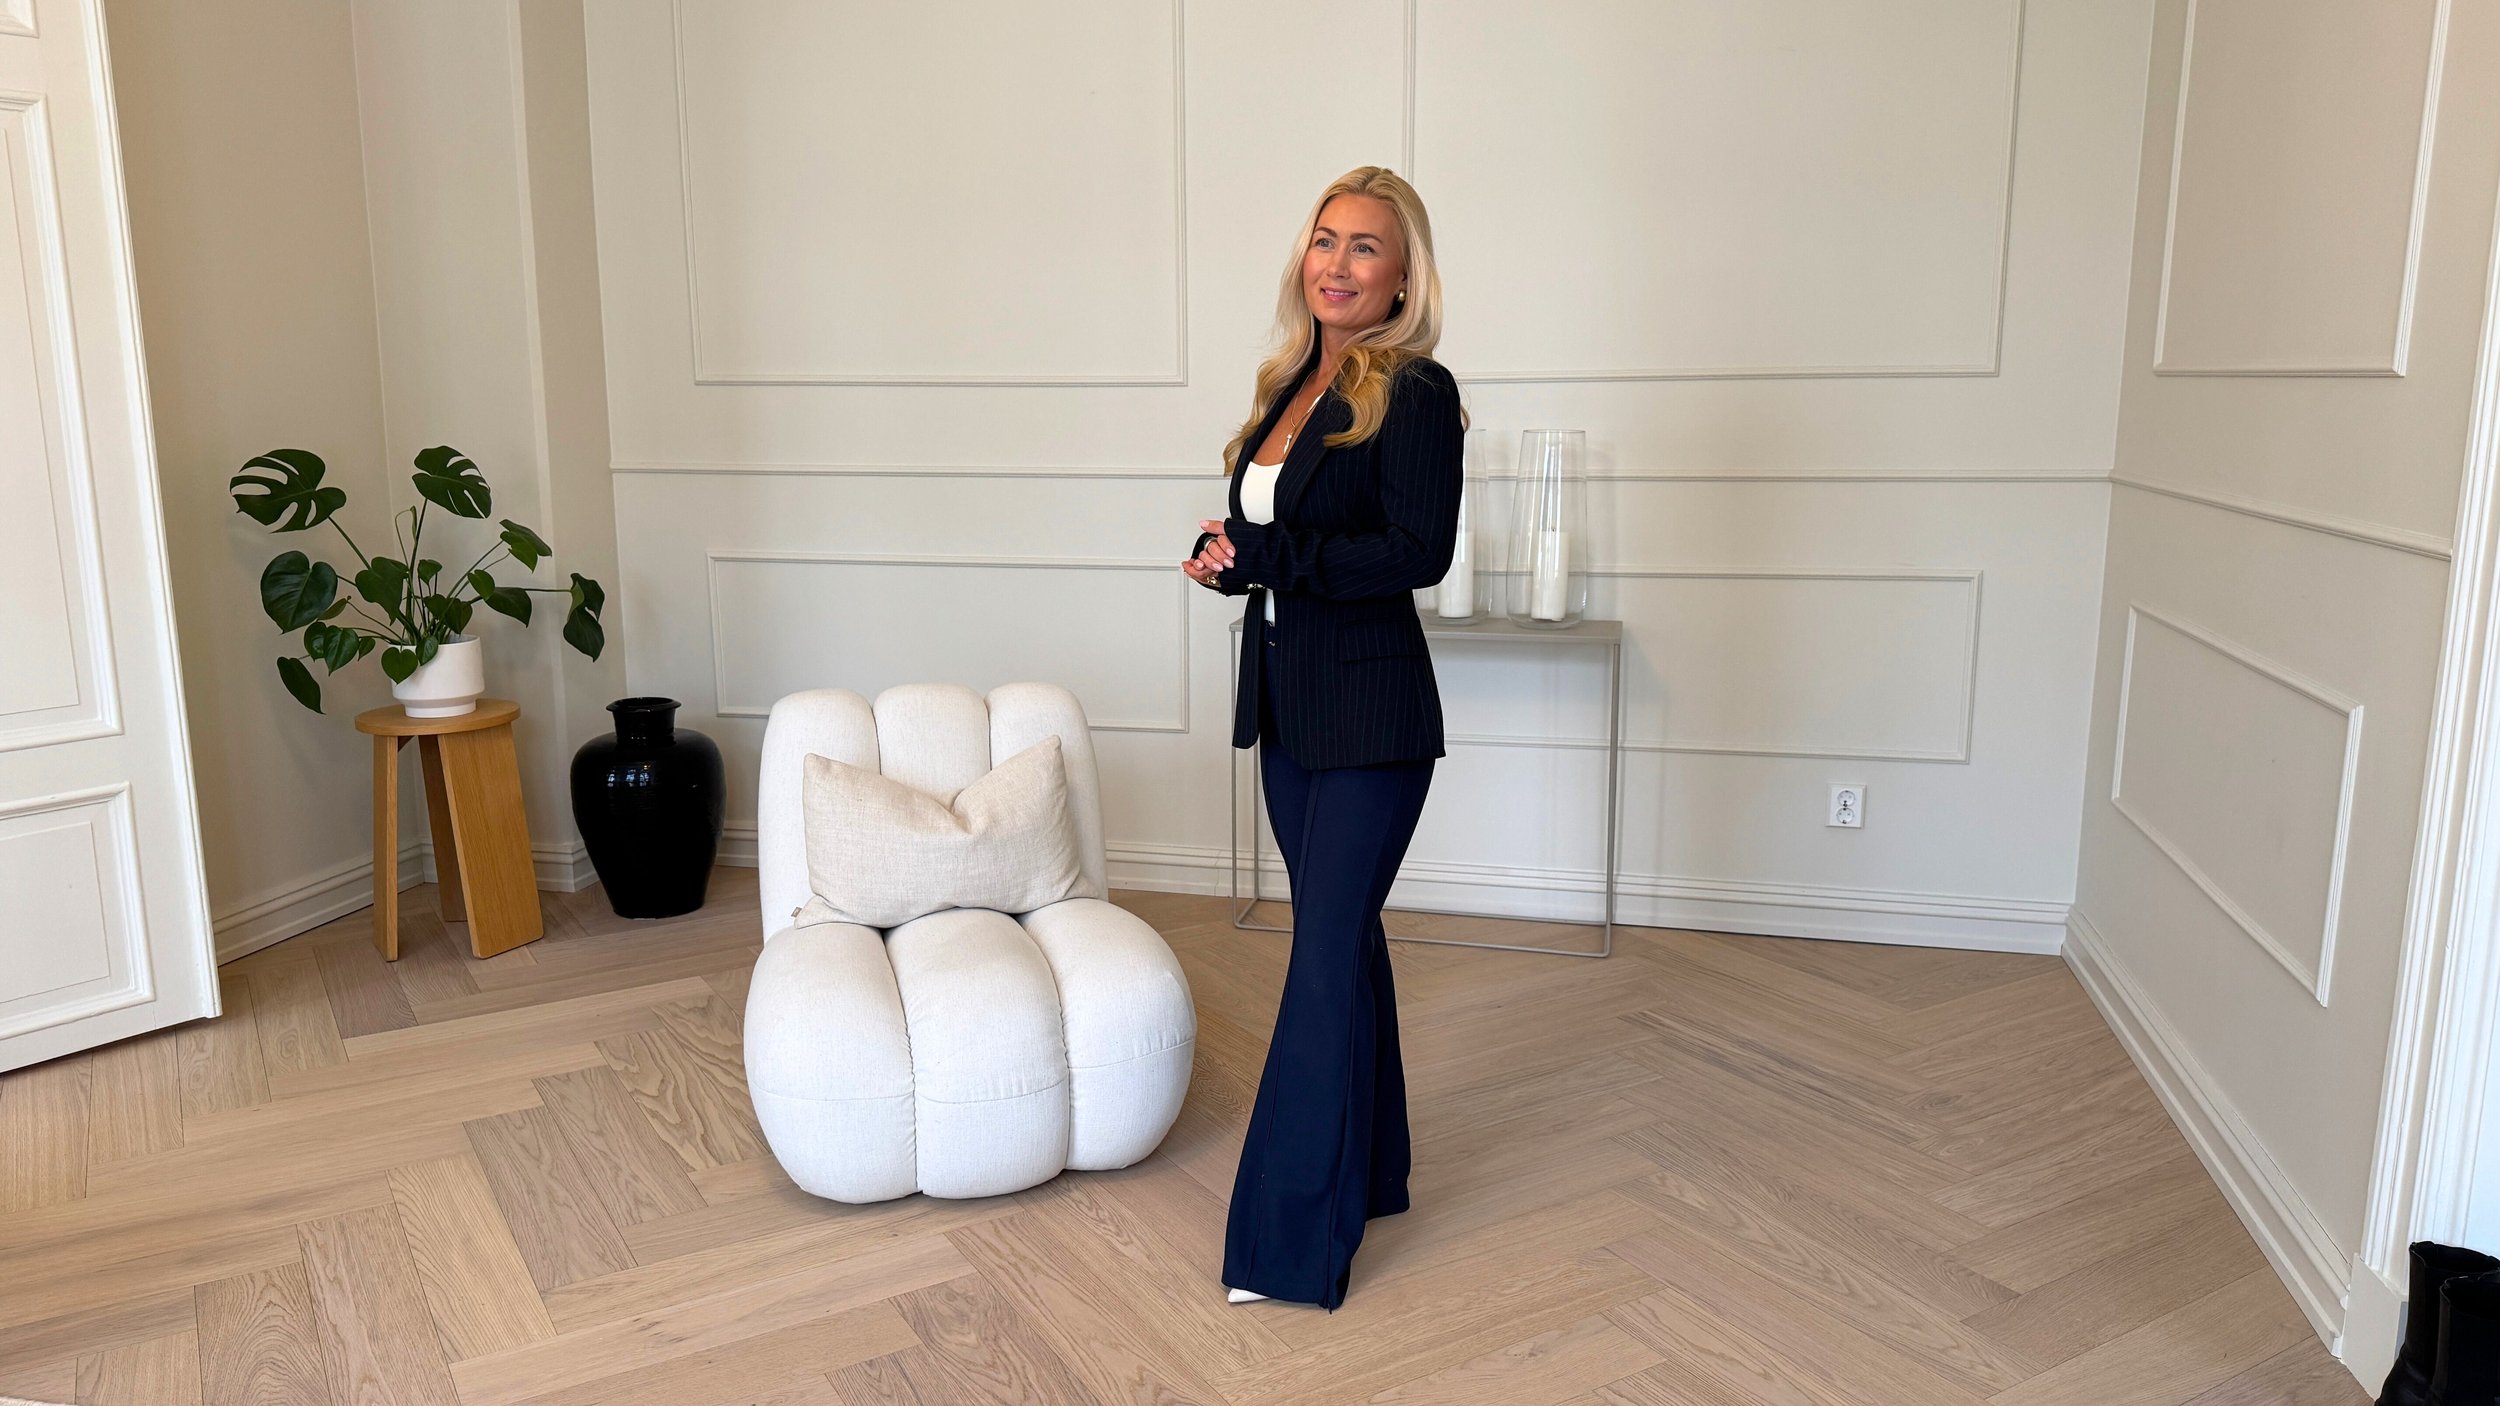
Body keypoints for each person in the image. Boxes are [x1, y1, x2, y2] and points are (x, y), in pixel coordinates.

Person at [1182, 165, 1466, 1311]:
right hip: (1290, 709)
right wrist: (1230, 560)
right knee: (1340, 942)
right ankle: (1377, 1171)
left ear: (1402, 279)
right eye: (1325, 239)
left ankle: (1288, 1246)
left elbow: (1417, 551)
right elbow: (1283, 545)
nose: (1337, 264)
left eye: (1365, 247)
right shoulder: (1292, 382)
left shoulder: (1416, 389)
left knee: (1318, 962)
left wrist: (1275, 558)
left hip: (1373, 719)